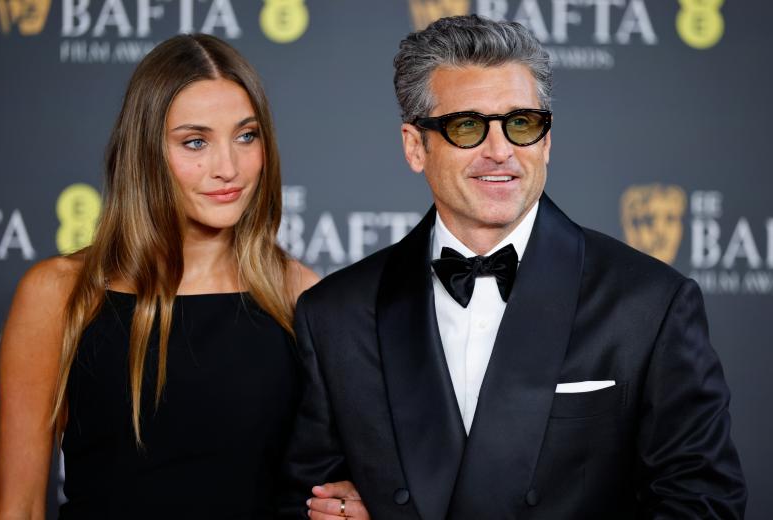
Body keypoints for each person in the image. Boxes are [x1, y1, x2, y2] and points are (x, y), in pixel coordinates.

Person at [281, 15, 746, 519]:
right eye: (467, 127)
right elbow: (304, 498)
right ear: (416, 146)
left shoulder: (650, 305)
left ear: (546, 140)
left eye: (521, 124)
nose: (500, 152)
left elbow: (703, 504)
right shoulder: (335, 314)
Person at [0, 34, 365, 519]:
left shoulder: (300, 296)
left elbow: (335, 483)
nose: (228, 167)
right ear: (145, 152)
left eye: (246, 136)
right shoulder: (61, 293)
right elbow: (18, 507)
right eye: (195, 142)